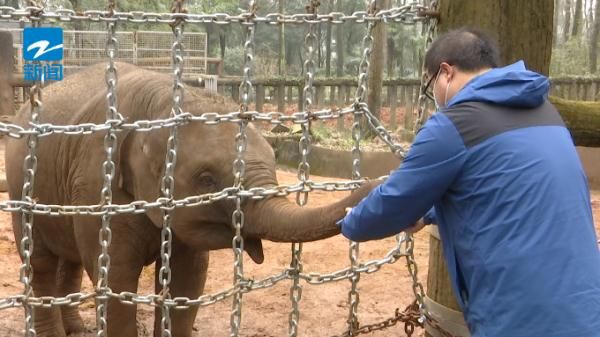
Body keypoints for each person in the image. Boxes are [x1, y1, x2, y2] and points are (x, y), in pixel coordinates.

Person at [337, 27, 600, 337]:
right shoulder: (545, 111)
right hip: (585, 309)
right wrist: (430, 214)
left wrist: (350, 221)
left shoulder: (454, 123)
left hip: (520, 318)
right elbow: (501, 189)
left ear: (446, 73)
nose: (433, 95)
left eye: (429, 85)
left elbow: (392, 205)